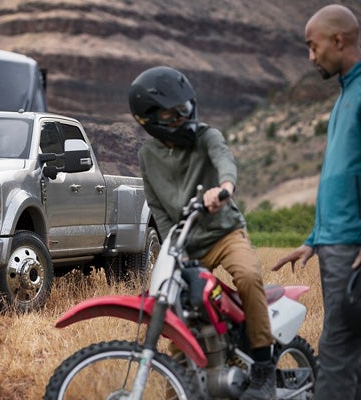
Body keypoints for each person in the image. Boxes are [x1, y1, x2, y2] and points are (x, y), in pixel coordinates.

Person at [128, 66, 276, 399]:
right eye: (172, 114)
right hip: (186, 246)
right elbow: (158, 209)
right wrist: (174, 250)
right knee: (177, 310)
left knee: (248, 276)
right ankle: (180, 386)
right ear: (150, 119)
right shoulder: (147, 156)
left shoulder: (208, 135)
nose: (183, 118)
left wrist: (224, 189)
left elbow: (225, 161)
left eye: (184, 109)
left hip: (225, 234)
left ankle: (264, 365)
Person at [271, 4, 361, 399]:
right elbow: (343, 178)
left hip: (351, 247)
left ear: (338, 40)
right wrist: (313, 239)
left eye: (313, 46)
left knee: (337, 351)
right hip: (336, 244)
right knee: (348, 351)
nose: (311, 56)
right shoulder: (346, 94)